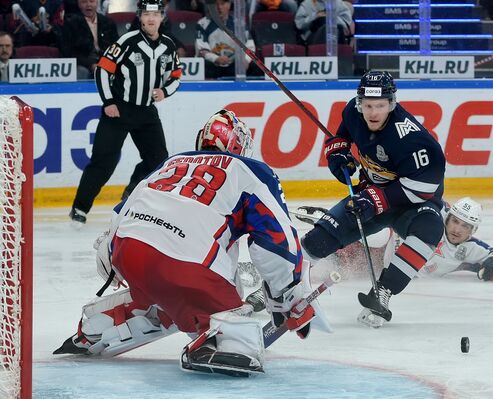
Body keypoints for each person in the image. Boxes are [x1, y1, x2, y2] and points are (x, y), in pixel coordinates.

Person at [54, 110, 327, 377]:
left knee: (174, 291)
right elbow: (277, 243)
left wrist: (113, 261)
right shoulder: (252, 171)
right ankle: (221, 340)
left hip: (127, 250)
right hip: (187, 265)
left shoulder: (171, 163)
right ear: (239, 145)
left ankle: (101, 324)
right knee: (238, 330)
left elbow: (120, 215)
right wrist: (288, 298)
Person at [300, 70, 447, 329]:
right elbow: (344, 132)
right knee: (317, 241)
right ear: (360, 103)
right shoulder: (353, 112)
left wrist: (377, 199)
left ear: (392, 104)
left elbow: (424, 187)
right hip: (371, 193)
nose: (373, 113)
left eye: (380, 106)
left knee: (431, 229)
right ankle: (283, 282)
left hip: (414, 203)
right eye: (367, 105)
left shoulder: (412, 139)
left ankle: (384, 291)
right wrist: (338, 150)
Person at [69, 0, 182, 227]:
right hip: (119, 110)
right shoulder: (127, 41)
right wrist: (109, 101)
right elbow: (102, 70)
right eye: (146, 14)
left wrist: (164, 91)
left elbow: (176, 75)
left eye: (156, 14)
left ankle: (131, 191)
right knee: (103, 163)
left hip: (146, 112)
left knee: (158, 160)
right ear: (140, 17)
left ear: (162, 17)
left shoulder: (168, 46)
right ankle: (79, 209)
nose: (151, 19)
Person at [385, 197, 493, 281]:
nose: (457, 230)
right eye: (455, 222)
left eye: (465, 226)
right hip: (380, 258)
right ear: (447, 218)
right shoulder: (430, 222)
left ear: (472, 231)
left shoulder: (470, 248)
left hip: (402, 285)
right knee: (379, 237)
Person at [195, 0, 259, 79]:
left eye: (222, 4)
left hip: (234, 65)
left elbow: (250, 46)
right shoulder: (202, 24)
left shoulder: (239, 23)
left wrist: (246, 60)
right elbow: (202, 50)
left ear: (229, 5)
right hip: (213, 66)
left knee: (256, 66)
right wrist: (216, 58)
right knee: (204, 65)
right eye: (216, 4)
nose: (219, 7)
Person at [60, 0, 119, 80]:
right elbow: (68, 51)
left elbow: (116, 47)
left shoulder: (108, 23)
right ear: (79, 4)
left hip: (106, 60)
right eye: (84, 2)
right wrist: (91, 65)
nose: (88, 5)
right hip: (83, 63)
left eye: (92, 1)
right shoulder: (71, 23)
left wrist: (106, 63)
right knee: (81, 72)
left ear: (97, 3)